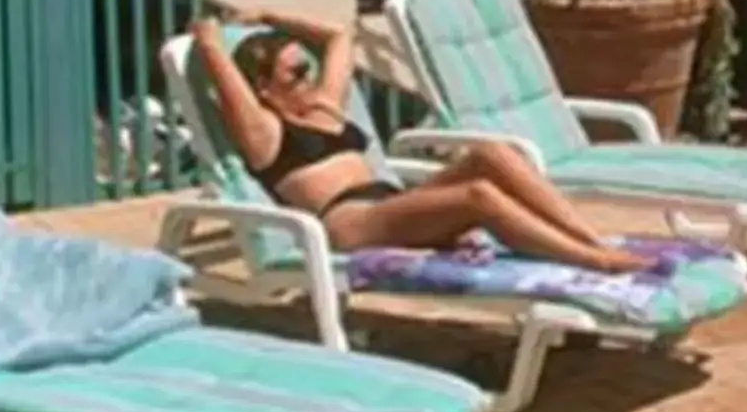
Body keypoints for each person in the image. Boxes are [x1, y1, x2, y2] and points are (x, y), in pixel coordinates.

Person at [189, 14, 648, 275]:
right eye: (295, 73)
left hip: (393, 205)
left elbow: (338, 37)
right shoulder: (266, 132)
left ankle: (588, 237)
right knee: (479, 196)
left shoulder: (326, 107)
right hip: (352, 225)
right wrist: (209, 42)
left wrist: (268, 15)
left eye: (307, 66)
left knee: (492, 155)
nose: (309, 77)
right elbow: (227, 79)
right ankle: (595, 261)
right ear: (264, 89)